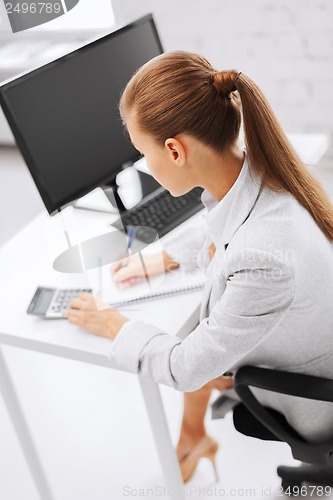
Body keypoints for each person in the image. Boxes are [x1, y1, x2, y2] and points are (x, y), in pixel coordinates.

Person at [65, 51, 333, 483]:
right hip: (316, 342)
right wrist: (165, 258)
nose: (142, 165)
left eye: (141, 153)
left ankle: (190, 442)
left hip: (317, 399)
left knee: (190, 343)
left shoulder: (263, 258)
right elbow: (227, 221)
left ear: (174, 150)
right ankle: (193, 438)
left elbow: (185, 369)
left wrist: (116, 325)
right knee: (201, 326)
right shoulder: (266, 166)